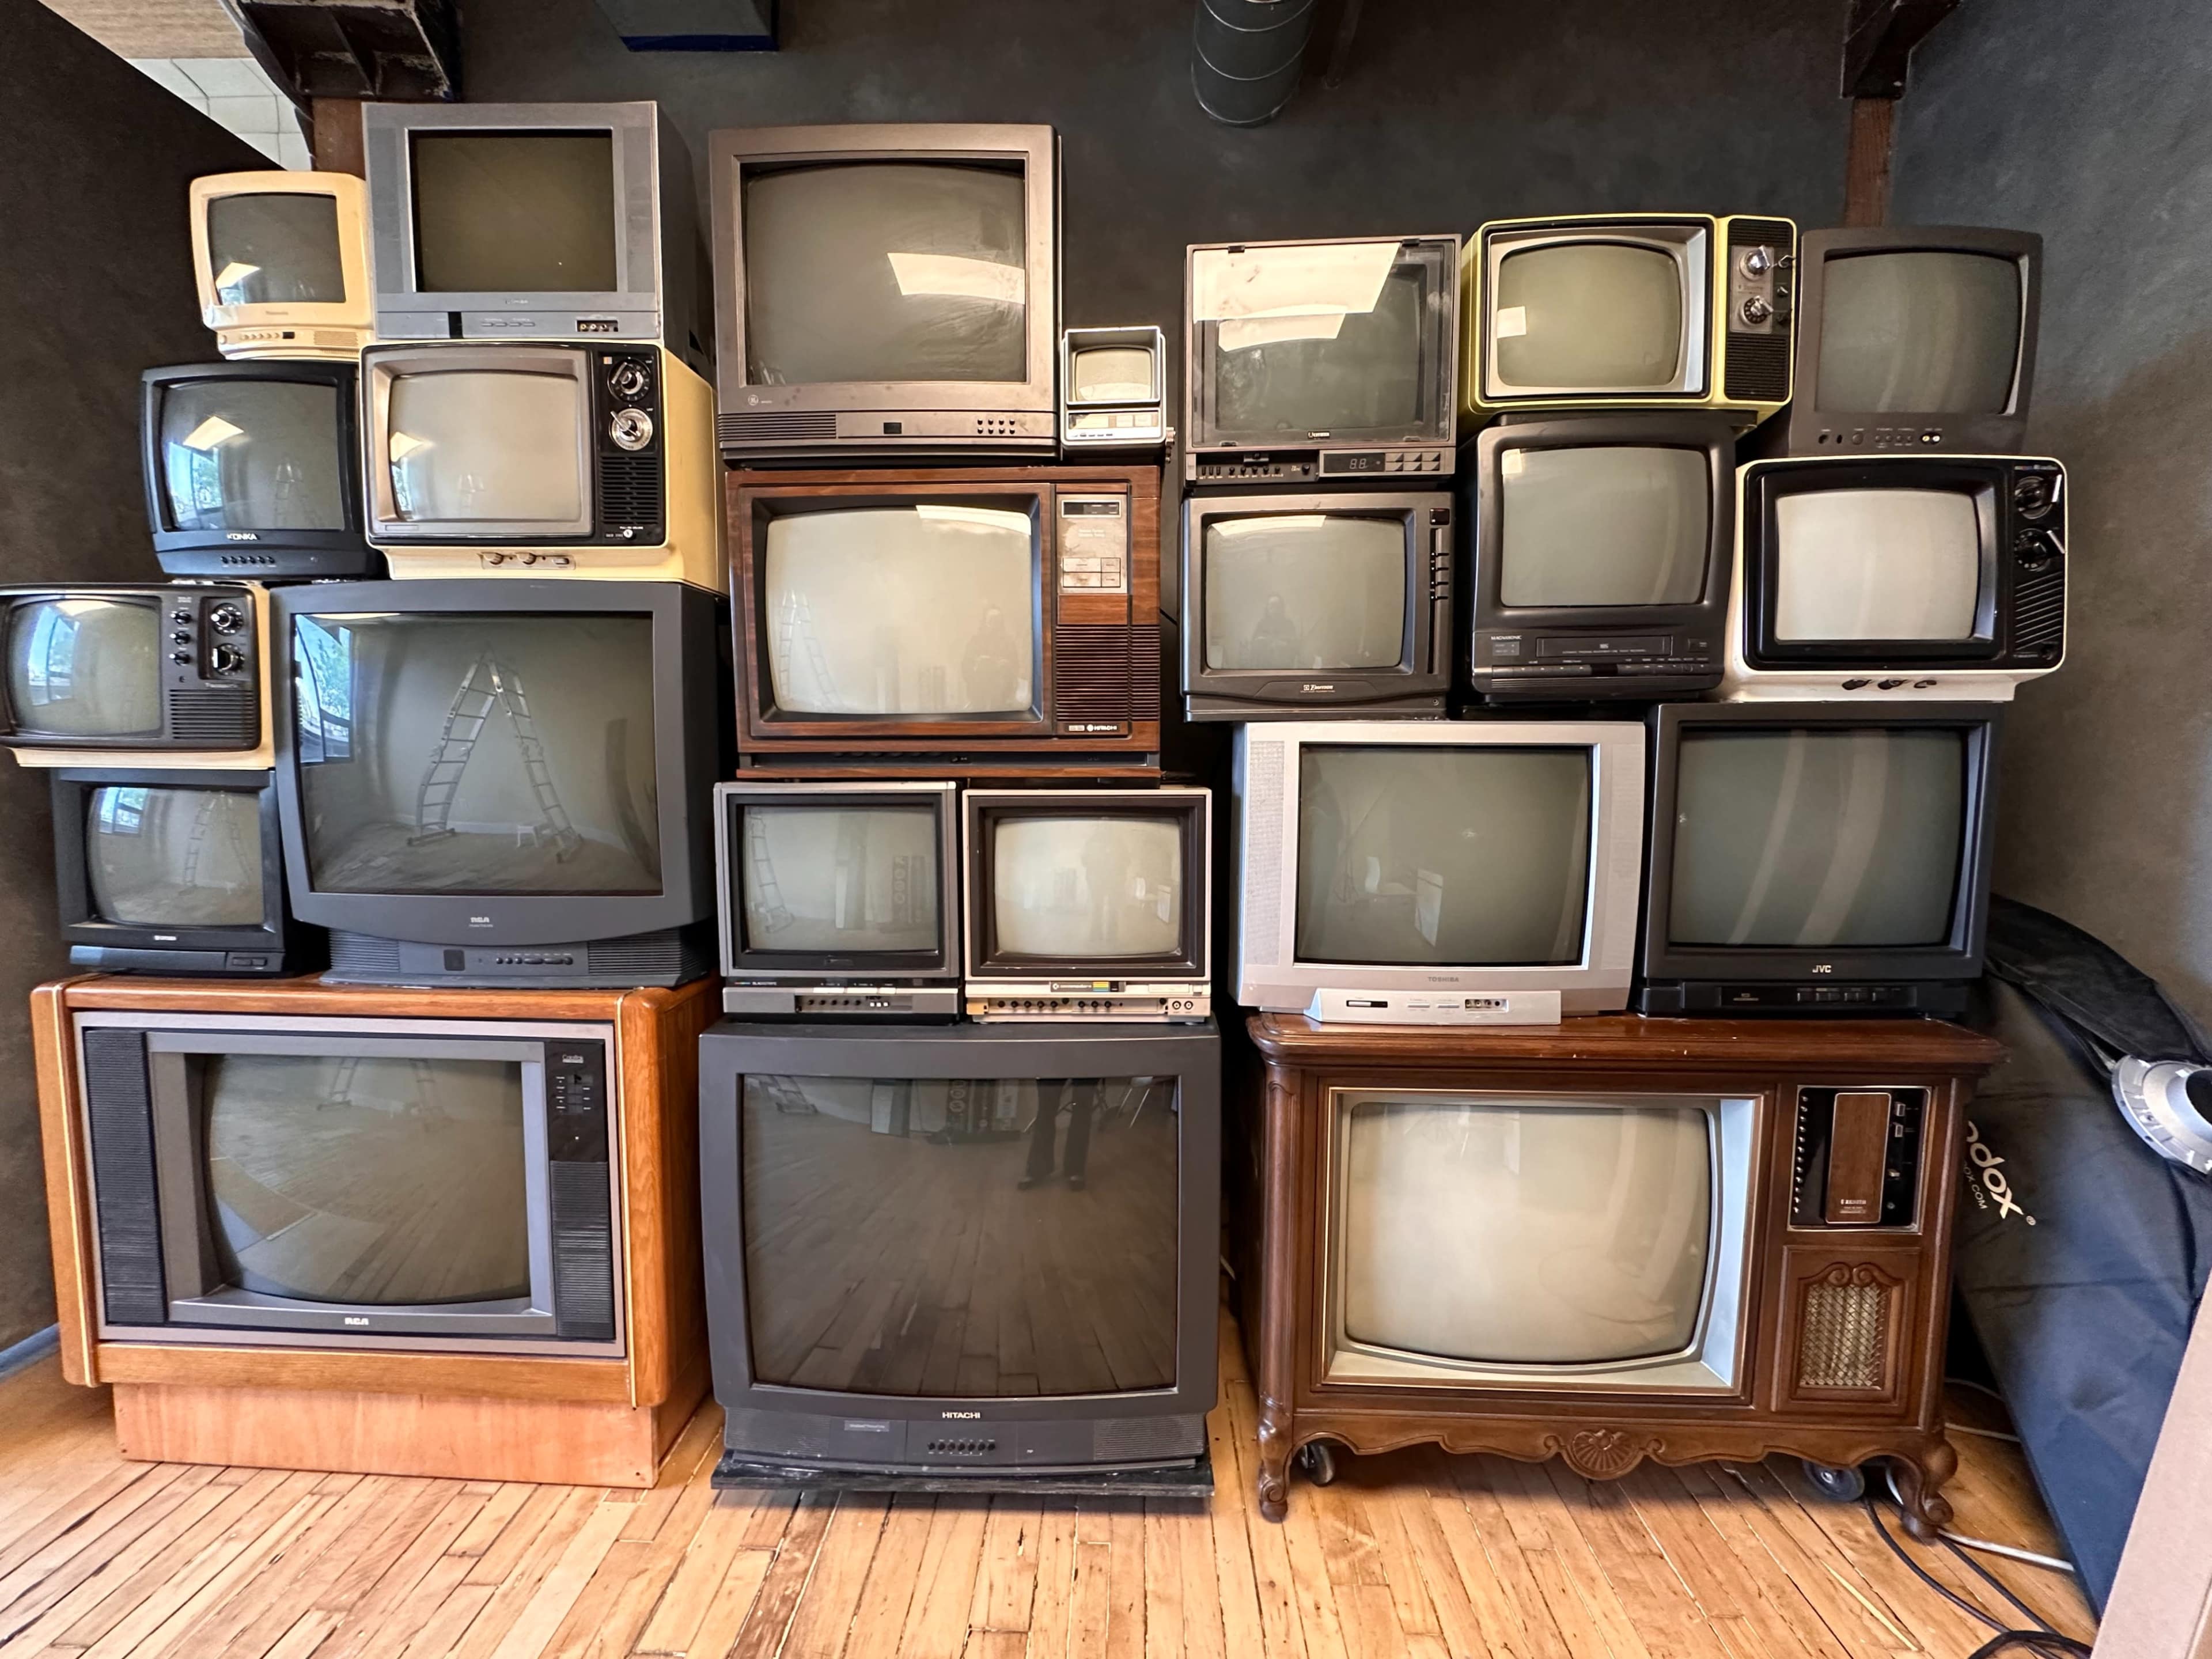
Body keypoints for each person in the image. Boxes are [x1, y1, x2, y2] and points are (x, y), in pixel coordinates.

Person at [1020, 1078, 1099, 1190]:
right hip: (1053, 1062)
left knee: (1083, 1107)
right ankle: (1037, 1169)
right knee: (1045, 1107)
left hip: (1088, 1063)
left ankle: (1075, 1169)